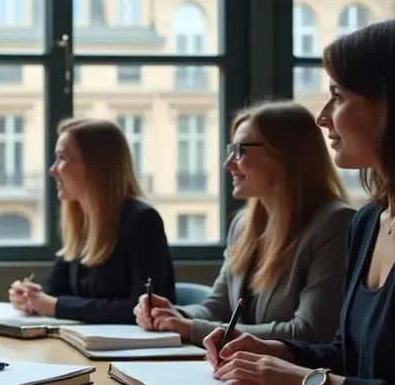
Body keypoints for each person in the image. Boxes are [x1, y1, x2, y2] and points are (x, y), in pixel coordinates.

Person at [205, 15, 395, 385]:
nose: (322, 117)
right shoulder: (368, 222)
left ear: (394, 106)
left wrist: (307, 383)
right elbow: (350, 358)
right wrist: (279, 351)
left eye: (337, 96)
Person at [132, 101, 354, 346]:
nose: (228, 164)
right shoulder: (243, 225)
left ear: (285, 155)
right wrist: (174, 315)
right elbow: (218, 308)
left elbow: (309, 333)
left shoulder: (336, 224)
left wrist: (192, 328)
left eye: (240, 150)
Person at [8, 118, 175, 323]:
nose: (53, 170)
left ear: (96, 167)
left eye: (62, 158)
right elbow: (56, 289)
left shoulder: (142, 221)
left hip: (130, 352)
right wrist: (30, 296)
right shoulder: (81, 219)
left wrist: (53, 305)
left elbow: (140, 308)